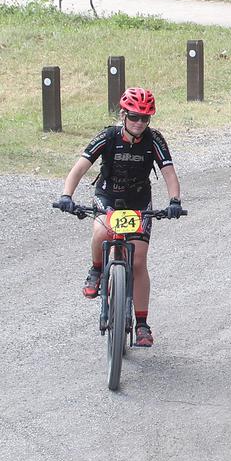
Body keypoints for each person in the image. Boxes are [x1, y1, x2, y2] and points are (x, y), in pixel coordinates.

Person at [53, 87, 183, 350]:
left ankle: (142, 323)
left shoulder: (154, 139)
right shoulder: (108, 136)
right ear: (123, 115)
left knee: (138, 260)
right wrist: (67, 195)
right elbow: (80, 167)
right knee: (102, 232)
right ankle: (96, 270)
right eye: (134, 117)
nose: (139, 123)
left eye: (145, 119)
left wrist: (174, 201)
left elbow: (168, 171)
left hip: (138, 201)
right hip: (108, 196)